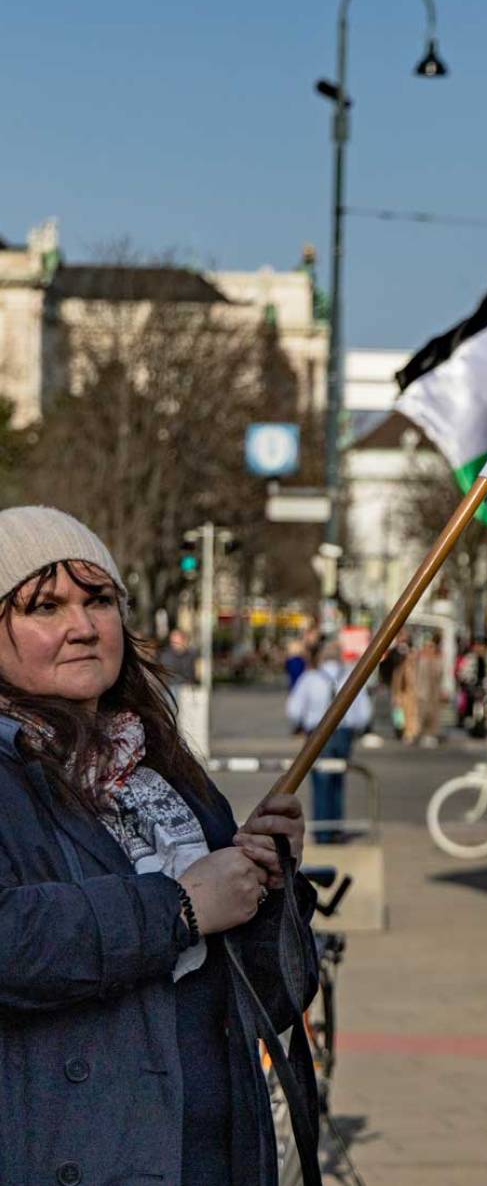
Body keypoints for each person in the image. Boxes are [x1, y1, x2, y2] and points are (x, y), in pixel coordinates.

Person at [0, 505, 316, 1185]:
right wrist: (179, 908)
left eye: (99, 601)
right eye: (45, 607)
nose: (83, 627)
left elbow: (269, 1001)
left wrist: (267, 887)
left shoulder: (167, 773)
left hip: (212, 1158)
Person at [287, 638, 372, 843]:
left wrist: (300, 723)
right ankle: (335, 827)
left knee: (320, 781)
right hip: (343, 733)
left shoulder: (310, 678)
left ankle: (322, 830)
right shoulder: (352, 676)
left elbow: (294, 709)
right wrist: (355, 726)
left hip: (316, 732)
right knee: (338, 780)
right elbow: (364, 713)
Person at [158, 627, 199, 691]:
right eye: (173, 640)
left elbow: (192, 672)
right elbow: (169, 674)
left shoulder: (190, 654)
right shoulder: (167, 655)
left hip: (188, 687)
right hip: (173, 687)